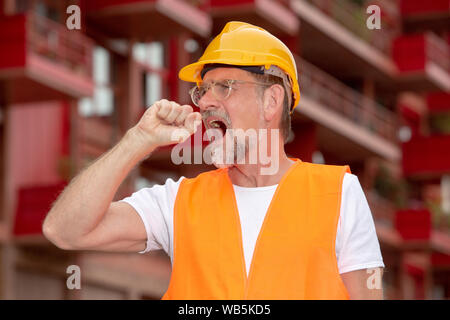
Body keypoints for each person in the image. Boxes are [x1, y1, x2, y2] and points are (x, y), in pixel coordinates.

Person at [43, 21, 385, 299]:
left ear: (271, 101)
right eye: (202, 90)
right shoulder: (176, 202)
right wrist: (137, 141)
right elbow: (64, 231)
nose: (205, 101)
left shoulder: (339, 193)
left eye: (225, 87)